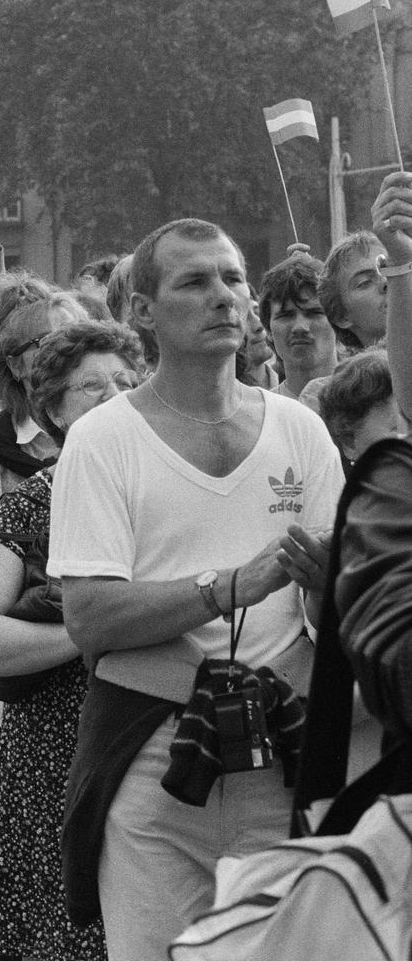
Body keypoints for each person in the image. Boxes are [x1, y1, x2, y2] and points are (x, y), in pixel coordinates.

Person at [48, 217, 345, 961]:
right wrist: (227, 586)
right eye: (194, 281)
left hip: (283, 746)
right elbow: (88, 618)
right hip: (154, 754)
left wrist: (322, 586)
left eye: (233, 278)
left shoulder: (300, 430)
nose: (223, 297)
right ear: (142, 312)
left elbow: (334, 607)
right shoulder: (101, 438)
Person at [0, 318, 141, 961]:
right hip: (55, 751)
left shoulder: (167, 491)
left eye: (125, 380)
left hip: (157, 738)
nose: (113, 394)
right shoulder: (31, 504)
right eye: (90, 386)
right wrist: (89, 628)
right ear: (53, 409)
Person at [0, 276, 83, 842]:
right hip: (18, 694)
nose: (59, 357)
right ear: (15, 365)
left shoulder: (125, 445)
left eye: (69, 341)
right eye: (40, 347)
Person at [257, 253, 337, 401]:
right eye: (285, 316)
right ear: (268, 330)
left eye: (314, 313)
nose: (300, 327)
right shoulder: (261, 415)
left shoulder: (373, 401)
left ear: (338, 320)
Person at [318, 229, 387, 351]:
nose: (386, 282)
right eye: (365, 282)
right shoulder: (353, 370)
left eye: (391, 271)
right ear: (342, 318)